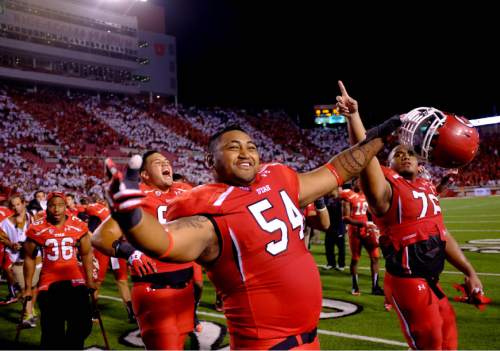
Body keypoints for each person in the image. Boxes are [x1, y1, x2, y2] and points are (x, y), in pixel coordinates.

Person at [96, 120, 402, 350]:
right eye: (233, 147)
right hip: (266, 343)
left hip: (310, 337)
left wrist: (382, 135)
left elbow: (339, 168)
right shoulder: (209, 206)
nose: (245, 153)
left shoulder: (279, 178)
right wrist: (132, 217)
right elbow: (167, 242)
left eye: (251, 146)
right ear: (209, 161)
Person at [336, 80, 484, 350]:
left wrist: (469, 271)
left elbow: (441, 233)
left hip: (431, 281)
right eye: (397, 154)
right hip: (408, 281)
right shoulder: (386, 188)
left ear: (420, 160)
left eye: (408, 154)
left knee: (449, 343)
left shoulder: (426, 187)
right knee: (429, 345)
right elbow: (363, 155)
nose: (404, 156)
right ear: (388, 163)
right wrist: (353, 116)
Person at [92, 150, 197, 350]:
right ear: (145, 174)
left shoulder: (185, 190)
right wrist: (131, 252)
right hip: (155, 290)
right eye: (158, 162)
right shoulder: (138, 195)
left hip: (186, 291)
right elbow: (99, 237)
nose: (166, 165)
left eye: (167, 161)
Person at [23, 192, 96, 349]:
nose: (56, 209)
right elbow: (29, 257)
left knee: (82, 326)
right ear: (47, 207)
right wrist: (28, 288)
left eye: (60, 205)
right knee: (52, 331)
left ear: (66, 206)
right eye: (52, 205)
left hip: (75, 280)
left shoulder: (78, 225)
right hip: (49, 282)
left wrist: (90, 280)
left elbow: (86, 253)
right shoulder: (36, 227)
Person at [0, 195, 39, 326]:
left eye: (17, 204)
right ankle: (28, 315)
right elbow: (2, 238)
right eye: (12, 205)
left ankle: (30, 311)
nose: (15, 208)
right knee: (24, 288)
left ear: (23, 203)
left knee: (33, 287)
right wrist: (11, 245)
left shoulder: (32, 218)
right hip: (16, 258)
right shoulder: (5, 223)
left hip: (35, 257)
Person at [340, 179, 383, 295]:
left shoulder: (366, 195)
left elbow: (370, 212)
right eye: (358, 182)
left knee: (375, 257)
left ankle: (375, 287)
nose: (361, 184)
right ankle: (355, 286)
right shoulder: (348, 195)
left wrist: (375, 223)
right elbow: (345, 218)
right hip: (354, 231)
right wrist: (363, 223)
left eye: (362, 182)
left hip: (367, 229)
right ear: (354, 183)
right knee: (355, 259)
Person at [324, 187, 346, 271]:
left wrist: (343, 227)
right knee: (329, 247)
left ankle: (341, 265)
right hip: (330, 227)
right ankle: (331, 263)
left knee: (341, 248)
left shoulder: (341, 200)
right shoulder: (327, 199)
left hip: (339, 227)